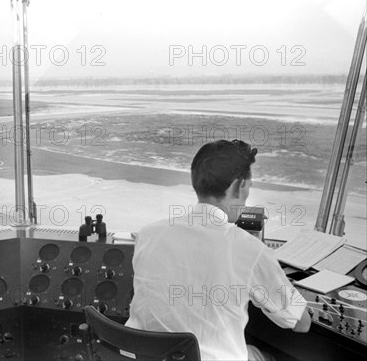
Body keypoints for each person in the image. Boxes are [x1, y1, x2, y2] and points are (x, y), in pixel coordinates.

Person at [125, 139, 311, 361]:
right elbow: (301, 323)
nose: (246, 199)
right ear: (238, 186)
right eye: (248, 188)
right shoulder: (250, 250)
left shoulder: (147, 235)